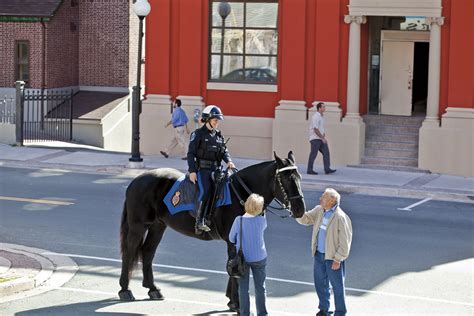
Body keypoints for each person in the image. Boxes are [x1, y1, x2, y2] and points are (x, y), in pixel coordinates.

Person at [296, 188, 352, 316]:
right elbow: (306, 219)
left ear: (332, 201)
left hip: (333, 258)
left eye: (323, 197)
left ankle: (340, 312)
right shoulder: (319, 210)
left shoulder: (340, 217)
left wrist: (338, 258)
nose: (320, 199)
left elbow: (345, 241)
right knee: (320, 284)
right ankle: (324, 309)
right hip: (319, 255)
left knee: (337, 286)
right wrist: (297, 212)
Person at [187, 105, 235, 232]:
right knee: (206, 190)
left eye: (218, 120)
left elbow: (224, 151)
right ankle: (199, 221)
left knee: (227, 188)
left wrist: (229, 161)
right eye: (215, 120)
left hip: (217, 169)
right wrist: (192, 171)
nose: (217, 122)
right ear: (207, 119)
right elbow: (191, 154)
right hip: (203, 170)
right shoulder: (198, 134)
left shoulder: (219, 135)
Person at [229, 194, 268, 316]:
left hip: (243, 259)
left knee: (243, 288)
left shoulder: (238, 220)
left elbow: (231, 238)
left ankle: (244, 313)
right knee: (260, 287)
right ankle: (262, 313)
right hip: (260, 257)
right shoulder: (262, 220)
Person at [307, 102, 336, 175]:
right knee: (313, 154)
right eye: (323, 107)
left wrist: (323, 135)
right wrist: (322, 137)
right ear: (319, 108)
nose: (324, 108)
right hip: (315, 139)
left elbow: (320, 128)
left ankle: (327, 169)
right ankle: (309, 170)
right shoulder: (316, 117)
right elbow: (315, 129)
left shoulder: (321, 117)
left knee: (326, 153)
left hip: (320, 138)